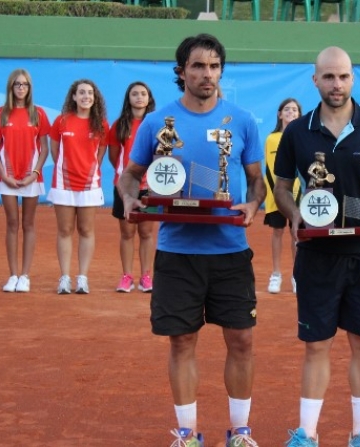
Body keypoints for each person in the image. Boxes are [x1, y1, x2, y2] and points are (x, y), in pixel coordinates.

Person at [117, 34, 265, 447]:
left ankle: (240, 431)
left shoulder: (243, 121)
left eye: (215, 66)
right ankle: (185, 435)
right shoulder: (157, 122)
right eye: (198, 66)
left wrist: (253, 208)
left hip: (230, 251)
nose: (208, 74)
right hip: (178, 251)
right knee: (182, 341)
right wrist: (130, 197)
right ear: (181, 72)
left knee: (242, 339)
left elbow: (257, 184)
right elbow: (131, 174)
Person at [274, 46, 360, 447]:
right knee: (316, 344)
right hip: (316, 251)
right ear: (315, 80)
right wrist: (293, 214)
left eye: (344, 77)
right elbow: (283, 188)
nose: (337, 84)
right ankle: (307, 434)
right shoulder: (297, 131)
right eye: (329, 77)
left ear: (353, 79)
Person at [0, 69, 50, 293]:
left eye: (25, 84)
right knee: (12, 224)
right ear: (11, 88)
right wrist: (4, 174)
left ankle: (25, 275)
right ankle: (13, 275)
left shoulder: (39, 114)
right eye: (17, 84)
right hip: (7, 178)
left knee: (28, 224)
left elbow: (44, 149)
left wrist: (34, 173)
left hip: (31, 178)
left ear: (30, 88)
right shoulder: (1, 114)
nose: (21, 88)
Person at [48, 79, 109, 295]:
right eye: (81, 92)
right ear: (74, 97)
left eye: (90, 93)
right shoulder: (61, 121)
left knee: (86, 230)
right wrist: (67, 170)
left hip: (89, 185)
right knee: (64, 230)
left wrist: (88, 172)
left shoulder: (101, 124)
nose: (86, 96)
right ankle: (64, 278)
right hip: (63, 184)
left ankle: (82, 278)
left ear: (95, 98)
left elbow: (100, 154)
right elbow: (55, 151)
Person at [108, 81, 156, 293]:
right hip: (125, 187)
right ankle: (126, 276)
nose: (139, 97)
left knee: (146, 233)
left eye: (143, 94)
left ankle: (146, 276)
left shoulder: (156, 124)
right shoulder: (119, 125)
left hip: (150, 187)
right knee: (127, 233)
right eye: (134, 94)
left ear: (149, 98)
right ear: (128, 98)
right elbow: (113, 156)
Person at [263, 98, 302, 294]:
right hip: (276, 196)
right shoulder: (272, 139)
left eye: (294, 110)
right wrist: (277, 194)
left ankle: (296, 275)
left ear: (299, 114)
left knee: (297, 233)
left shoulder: (303, 137)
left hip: (299, 195)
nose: (290, 113)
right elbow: (270, 170)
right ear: (280, 114)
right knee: (277, 232)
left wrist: (298, 193)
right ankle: (276, 274)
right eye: (287, 109)